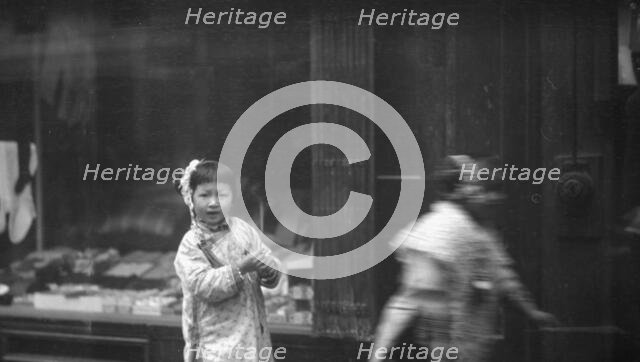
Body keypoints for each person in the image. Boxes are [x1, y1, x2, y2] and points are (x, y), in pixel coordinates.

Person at [371, 155, 557, 362]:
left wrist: (532, 312)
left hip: (470, 343)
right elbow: (415, 298)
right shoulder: (438, 228)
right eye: (480, 188)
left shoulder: (482, 232)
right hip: (447, 344)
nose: (492, 198)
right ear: (462, 191)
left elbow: (504, 278)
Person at [174, 159, 281, 362]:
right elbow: (203, 286)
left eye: (222, 195)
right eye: (205, 195)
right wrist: (241, 267)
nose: (214, 202)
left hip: (252, 336)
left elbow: (266, 258)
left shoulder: (243, 229)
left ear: (233, 197)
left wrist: (268, 271)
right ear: (191, 198)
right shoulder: (191, 243)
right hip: (215, 341)